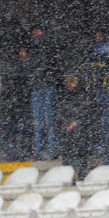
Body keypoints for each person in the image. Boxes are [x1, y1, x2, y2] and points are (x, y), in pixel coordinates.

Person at [77, 28, 109, 159]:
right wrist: (89, 87)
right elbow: (87, 70)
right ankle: (95, 147)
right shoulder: (92, 51)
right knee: (94, 122)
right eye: (96, 36)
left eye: (100, 36)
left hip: (106, 93)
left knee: (106, 122)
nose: (98, 39)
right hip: (94, 93)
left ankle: (104, 147)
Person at [26, 25, 62, 160]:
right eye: (34, 33)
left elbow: (53, 65)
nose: (36, 35)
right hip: (37, 87)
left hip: (46, 86)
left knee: (48, 120)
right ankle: (40, 150)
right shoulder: (32, 50)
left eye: (38, 32)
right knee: (39, 122)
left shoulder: (48, 47)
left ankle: (52, 150)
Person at [56, 73, 88, 180]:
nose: (69, 85)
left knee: (80, 158)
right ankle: (70, 179)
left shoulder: (82, 96)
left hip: (79, 133)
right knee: (67, 159)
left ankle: (81, 178)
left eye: (71, 83)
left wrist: (75, 123)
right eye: (68, 83)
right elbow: (60, 113)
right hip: (67, 134)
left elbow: (84, 113)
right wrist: (66, 125)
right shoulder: (64, 96)